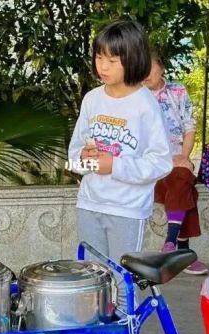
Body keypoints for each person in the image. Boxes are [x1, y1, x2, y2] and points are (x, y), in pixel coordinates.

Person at [68, 20, 172, 309]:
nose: (103, 66)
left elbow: (161, 162)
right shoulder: (92, 99)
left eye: (112, 60)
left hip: (127, 209)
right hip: (90, 204)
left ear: (133, 59)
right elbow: (74, 158)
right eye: (99, 57)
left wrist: (113, 165)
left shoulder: (145, 104)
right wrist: (86, 160)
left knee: (124, 282)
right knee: (92, 280)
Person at [143, 48, 207, 275]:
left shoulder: (177, 91)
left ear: (162, 67)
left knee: (182, 177)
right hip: (148, 163)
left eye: (150, 67)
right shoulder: (135, 95)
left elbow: (189, 127)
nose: (145, 73)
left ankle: (170, 243)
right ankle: (182, 251)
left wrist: (183, 156)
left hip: (176, 161)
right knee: (186, 188)